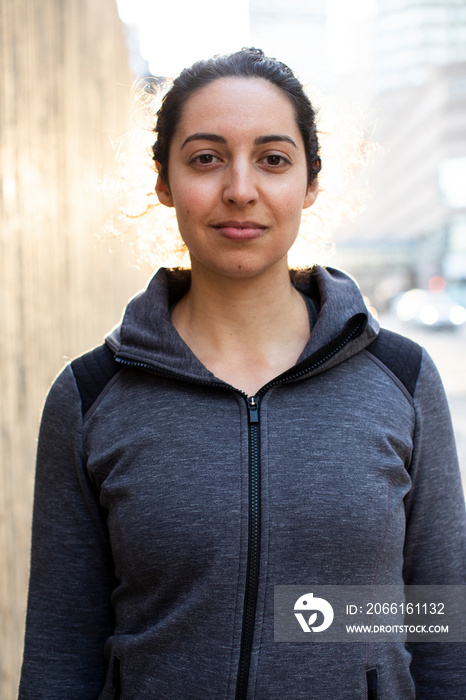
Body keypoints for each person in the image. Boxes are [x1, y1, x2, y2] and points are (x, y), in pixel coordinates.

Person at [19, 48, 466, 699]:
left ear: (310, 182)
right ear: (164, 181)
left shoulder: (400, 377)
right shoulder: (90, 396)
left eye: (273, 159)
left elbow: (441, 628)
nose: (240, 189)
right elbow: (62, 650)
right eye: (206, 158)